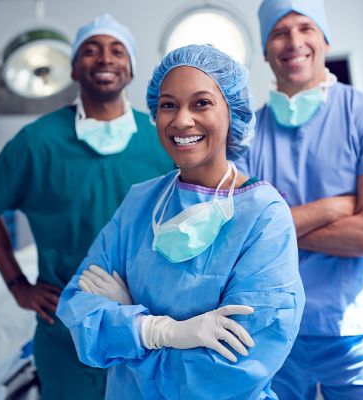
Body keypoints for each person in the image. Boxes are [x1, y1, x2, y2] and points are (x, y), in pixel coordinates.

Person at [55, 44, 305, 400]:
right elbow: (79, 307)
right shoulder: (141, 202)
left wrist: (128, 328)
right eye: (168, 105)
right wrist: (159, 330)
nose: (181, 120)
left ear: (232, 112)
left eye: (201, 103)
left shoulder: (263, 215)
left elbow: (237, 366)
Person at [0, 13, 173, 400]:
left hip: (150, 329)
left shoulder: (161, 138)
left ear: (130, 68)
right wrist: (18, 285)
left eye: (117, 50)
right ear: (74, 68)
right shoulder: (37, 142)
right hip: (67, 335)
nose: (105, 59)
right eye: (91, 50)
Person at [236, 0, 363, 399]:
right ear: (266, 50)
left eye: (305, 28)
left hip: (356, 333)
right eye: (279, 33)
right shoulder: (246, 136)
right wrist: (334, 206)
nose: (294, 42)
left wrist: (274, 229)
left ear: (324, 38)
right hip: (272, 331)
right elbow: (237, 236)